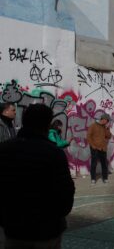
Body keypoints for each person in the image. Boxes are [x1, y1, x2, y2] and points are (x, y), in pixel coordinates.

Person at [0, 104, 75, 249]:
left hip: (13, 229)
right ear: (47, 124)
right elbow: (66, 193)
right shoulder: (54, 153)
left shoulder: (5, 150)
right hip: (46, 231)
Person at [87, 113, 112, 184]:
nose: (107, 122)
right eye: (107, 120)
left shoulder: (105, 127)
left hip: (103, 148)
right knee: (94, 164)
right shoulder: (93, 126)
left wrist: (107, 129)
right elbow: (89, 136)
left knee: (104, 164)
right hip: (95, 148)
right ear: (103, 119)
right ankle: (93, 179)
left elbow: (109, 136)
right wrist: (93, 146)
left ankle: (105, 178)